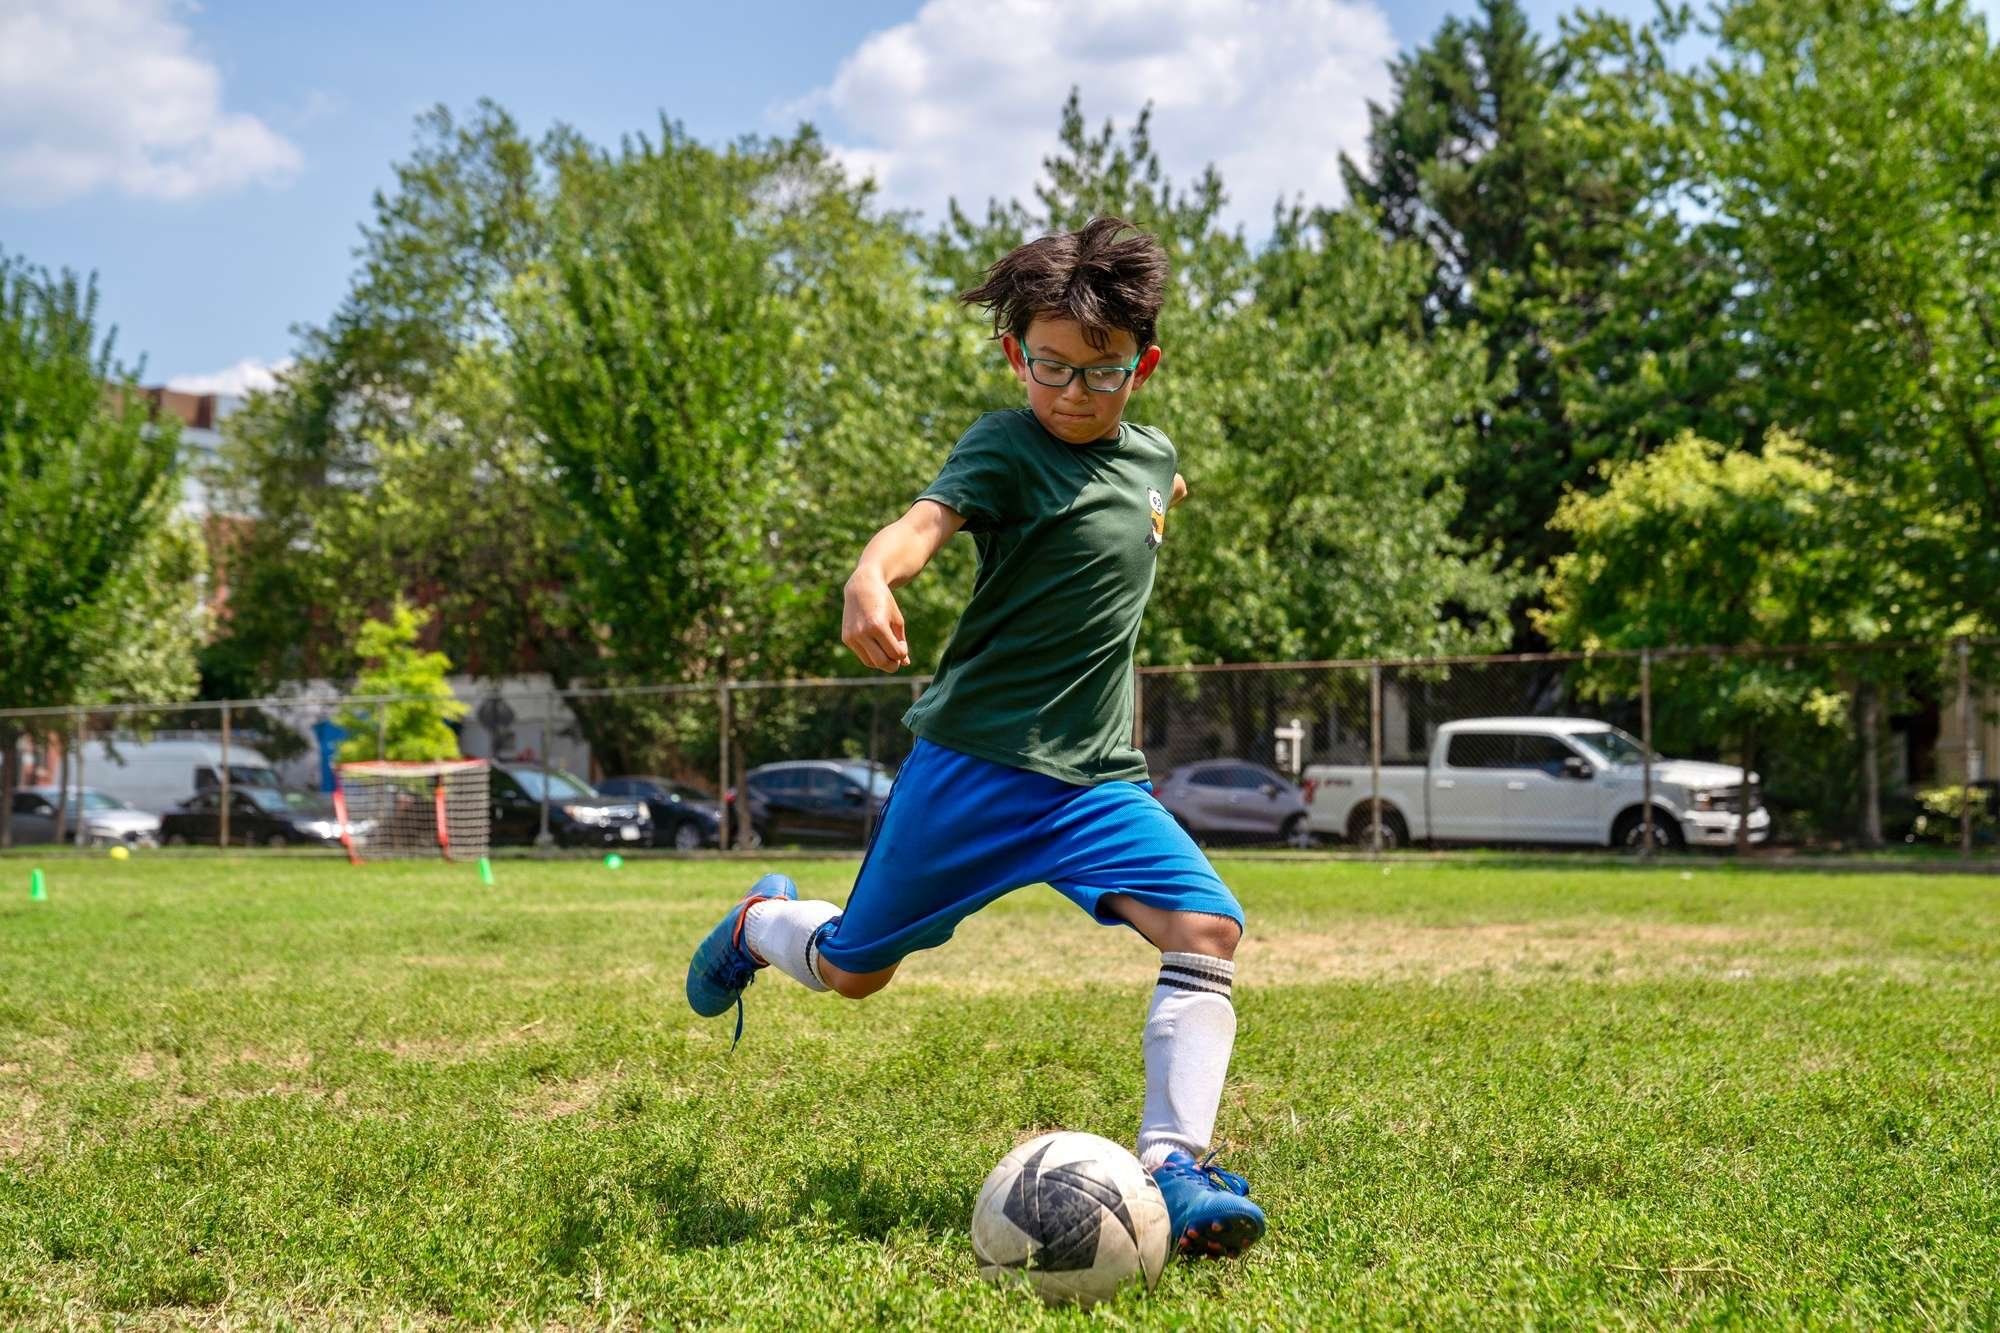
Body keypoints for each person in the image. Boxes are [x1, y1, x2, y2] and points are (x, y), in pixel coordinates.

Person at [686, 216, 1264, 1259]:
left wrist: (1159, 493)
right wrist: (869, 576)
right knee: (854, 970)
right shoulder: (1002, 446)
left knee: (1207, 929)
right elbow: (921, 527)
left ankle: (1175, 1167)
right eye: (1049, 368)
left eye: (1103, 374)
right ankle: (757, 925)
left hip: (1094, 784)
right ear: (1015, 356)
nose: (1073, 395)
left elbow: (1150, 488)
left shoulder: (1152, 458)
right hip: (972, 771)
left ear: (1144, 365)